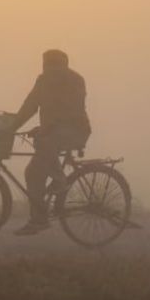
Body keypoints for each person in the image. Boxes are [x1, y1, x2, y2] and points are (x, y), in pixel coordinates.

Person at [10, 49, 91, 236]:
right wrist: (12, 127)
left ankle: (60, 181)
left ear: (65, 65)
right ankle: (39, 219)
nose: (52, 70)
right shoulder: (42, 81)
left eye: (56, 65)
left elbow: (73, 109)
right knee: (33, 173)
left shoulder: (75, 80)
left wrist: (49, 126)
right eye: (49, 65)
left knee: (43, 149)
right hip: (51, 134)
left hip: (75, 131)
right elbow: (30, 105)